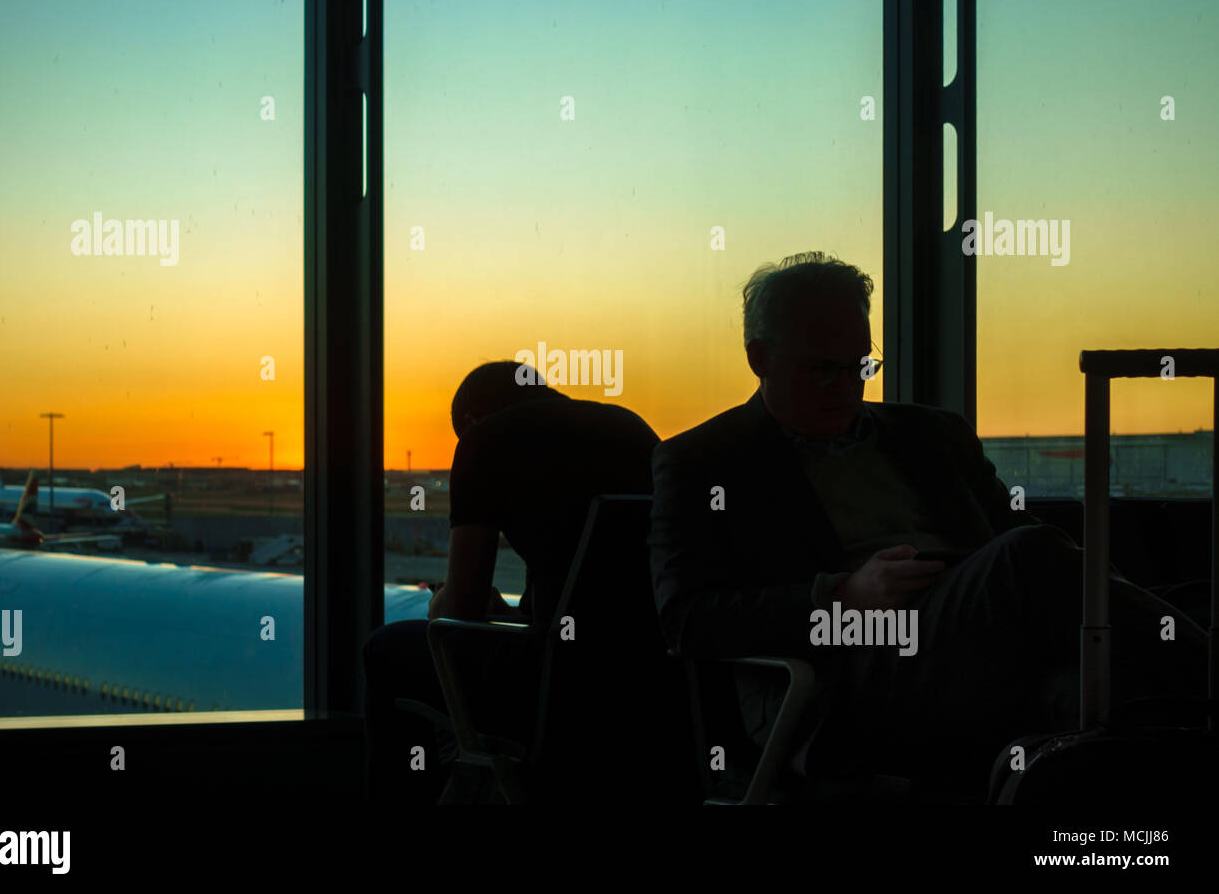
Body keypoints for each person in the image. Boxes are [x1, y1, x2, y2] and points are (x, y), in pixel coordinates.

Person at [649, 251, 1207, 796]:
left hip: (981, 636)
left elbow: (1040, 553)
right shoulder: (705, 462)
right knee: (1030, 559)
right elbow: (686, 617)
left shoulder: (934, 436)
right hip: (847, 665)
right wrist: (841, 597)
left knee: (1098, 696)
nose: (845, 387)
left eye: (861, 366)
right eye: (821, 369)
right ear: (760, 358)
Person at [364, 361, 659, 804]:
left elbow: (459, 612)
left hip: (553, 690)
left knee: (385, 648)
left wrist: (440, 601)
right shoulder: (631, 428)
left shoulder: (487, 439)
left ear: (470, 422)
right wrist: (517, 613)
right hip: (646, 687)